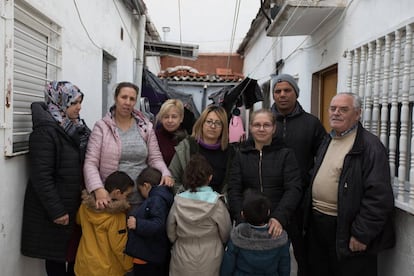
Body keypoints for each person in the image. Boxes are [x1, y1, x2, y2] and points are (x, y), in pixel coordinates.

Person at [304, 92, 395, 276]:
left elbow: (378, 196)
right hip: (319, 224)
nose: (336, 113)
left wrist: (362, 234)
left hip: (347, 228)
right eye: (333, 108)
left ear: (357, 113)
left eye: (343, 109)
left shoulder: (370, 146)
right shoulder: (328, 139)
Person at [21, 81, 91, 275]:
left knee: (74, 257)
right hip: (56, 210)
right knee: (57, 261)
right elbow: (41, 176)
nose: (79, 107)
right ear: (60, 102)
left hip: (74, 205)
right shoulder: (46, 131)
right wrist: (57, 211)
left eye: (80, 102)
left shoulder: (77, 128)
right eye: (74, 103)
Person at [84, 82, 174, 209]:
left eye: (132, 99)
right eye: (124, 97)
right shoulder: (102, 127)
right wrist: (98, 189)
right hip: (112, 200)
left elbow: (155, 158)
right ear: (116, 98)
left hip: (142, 200)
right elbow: (91, 162)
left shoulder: (145, 127)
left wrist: (165, 173)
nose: (127, 102)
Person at [271, 73, 326, 276]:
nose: (282, 95)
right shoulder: (265, 122)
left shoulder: (312, 124)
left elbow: (322, 157)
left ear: (296, 93)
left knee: (304, 254)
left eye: (287, 90)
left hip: (303, 201)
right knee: (272, 253)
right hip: (272, 198)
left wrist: (308, 180)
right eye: (278, 91)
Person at [227, 109, 303, 239]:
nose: (261, 129)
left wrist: (279, 217)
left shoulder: (286, 154)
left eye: (266, 125)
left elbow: (293, 189)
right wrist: (241, 216)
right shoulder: (241, 155)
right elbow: (234, 189)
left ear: (274, 128)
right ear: (250, 127)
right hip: (248, 224)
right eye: (257, 125)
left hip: (278, 224)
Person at [167, 154, 232, 276]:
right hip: (211, 254)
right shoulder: (216, 203)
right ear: (210, 177)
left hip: (183, 253)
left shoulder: (178, 201)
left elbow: (171, 231)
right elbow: (226, 232)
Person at [74, 171, 134, 276]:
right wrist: (129, 266)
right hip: (107, 270)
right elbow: (119, 247)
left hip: (84, 265)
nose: (127, 198)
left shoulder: (85, 207)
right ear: (117, 193)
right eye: (127, 195)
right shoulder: (117, 216)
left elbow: (78, 220)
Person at [220, 189, 290, 276]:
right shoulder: (278, 237)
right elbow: (284, 266)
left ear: (242, 214)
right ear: (268, 212)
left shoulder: (238, 235)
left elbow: (228, 264)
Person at [169, 105, 231, 194]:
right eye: (209, 121)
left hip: (218, 204)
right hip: (187, 202)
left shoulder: (230, 153)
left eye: (218, 123)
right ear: (201, 123)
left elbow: (233, 185)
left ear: (223, 127)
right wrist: (186, 196)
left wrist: (222, 200)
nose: (213, 126)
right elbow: (173, 178)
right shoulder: (186, 147)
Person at [125, 167, 174, 276]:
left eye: (140, 189)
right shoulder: (164, 197)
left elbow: (158, 224)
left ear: (146, 186)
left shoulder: (156, 200)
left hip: (149, 256)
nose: (141, 194)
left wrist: (137, 224)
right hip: (153, 253)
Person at [155, 99, 187, 166]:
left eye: (174, 117)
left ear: (181, 118)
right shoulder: (154, 138)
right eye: (166, 117)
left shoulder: (187, 140)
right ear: (161, 119)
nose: (170, 120)